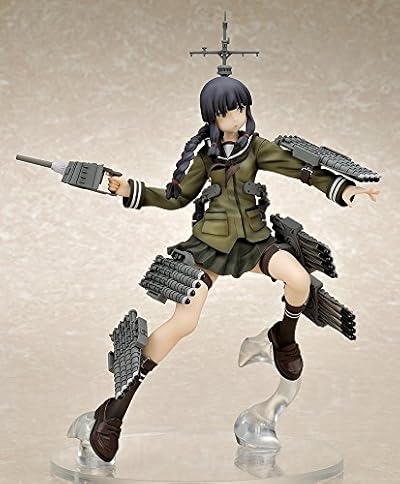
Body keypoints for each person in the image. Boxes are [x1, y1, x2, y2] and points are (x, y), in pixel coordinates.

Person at [89, 76, 380, 462]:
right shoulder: (204, 158)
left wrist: (345, 189)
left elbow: (301, 170)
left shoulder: (256, 147)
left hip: (254, 242)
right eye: (228, 111)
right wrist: (130, 189)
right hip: (208, 246)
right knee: (183, 324)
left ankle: (283, 336)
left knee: (298, 279)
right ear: (213, 116)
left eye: (241, 107)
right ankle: (113, 412)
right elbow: (176, 197)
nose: (237, 116)